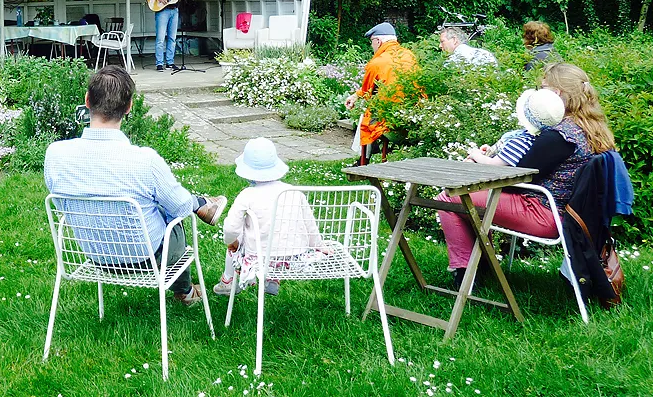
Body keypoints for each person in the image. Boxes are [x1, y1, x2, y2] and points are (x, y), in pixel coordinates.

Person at [44, 66, 228, 305]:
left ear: (87, 100)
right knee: (173, 212)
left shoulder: (56, 154)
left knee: (160, 205)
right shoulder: (144, 160)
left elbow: (60, 201)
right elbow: (180, 208)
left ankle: (201, 206)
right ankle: (186, 288)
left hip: (91, 254)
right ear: (129, 107)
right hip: (146, 258)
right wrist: (190, 203)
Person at [437, 63, 617, 287]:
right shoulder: (589, 128)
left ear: (556, 93)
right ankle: (481, 266)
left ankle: (467, 274)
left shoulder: (559, 137)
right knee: (468, 197)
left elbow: (513, 181)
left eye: (542, 87)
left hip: (544, 214)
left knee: (450, 197)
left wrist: (478, 166)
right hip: (566, 214)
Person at [214, 138, 325, 297]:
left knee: (236, 238)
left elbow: (230, 228)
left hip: (258, 256)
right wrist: (318, 245)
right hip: (293, 256)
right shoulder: (293, 191)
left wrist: (232, 241)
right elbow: (309, 223)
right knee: (278, 235)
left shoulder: (248, 195)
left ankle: (228, 280)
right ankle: (272, 278)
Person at [344, 22, 418, 161]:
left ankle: (362, 160)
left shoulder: (377, 62)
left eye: (372, 42)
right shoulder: (410, 56)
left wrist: (357, 96)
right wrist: (356, 95)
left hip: (388, 117)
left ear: (378, 41)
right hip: (411, 113)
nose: (372, 46)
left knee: (366, 116)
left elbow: (367, 91)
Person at [470, 88, 565, 167]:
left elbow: (494, 165)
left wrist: (476, 155)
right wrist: (491, 152)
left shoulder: (521, 142)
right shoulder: (534, 138)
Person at [143, 0, 195, 72]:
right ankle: (159, 63)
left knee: (172, 38)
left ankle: (170, 63)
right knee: (161, 38)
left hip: (174, 10)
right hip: (162, 11)